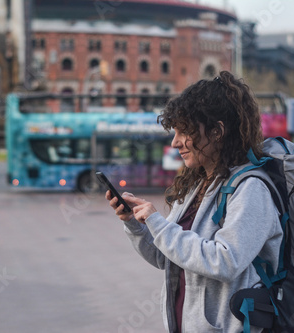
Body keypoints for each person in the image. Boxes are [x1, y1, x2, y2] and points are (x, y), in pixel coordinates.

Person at [106, 71, 283, 333]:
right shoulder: (198, 184)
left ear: (217, 132)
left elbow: (226, 261)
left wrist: (158, 223)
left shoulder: (251, 189)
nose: (175, 141)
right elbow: (165, 256)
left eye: (185, 131)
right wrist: (137, 224)